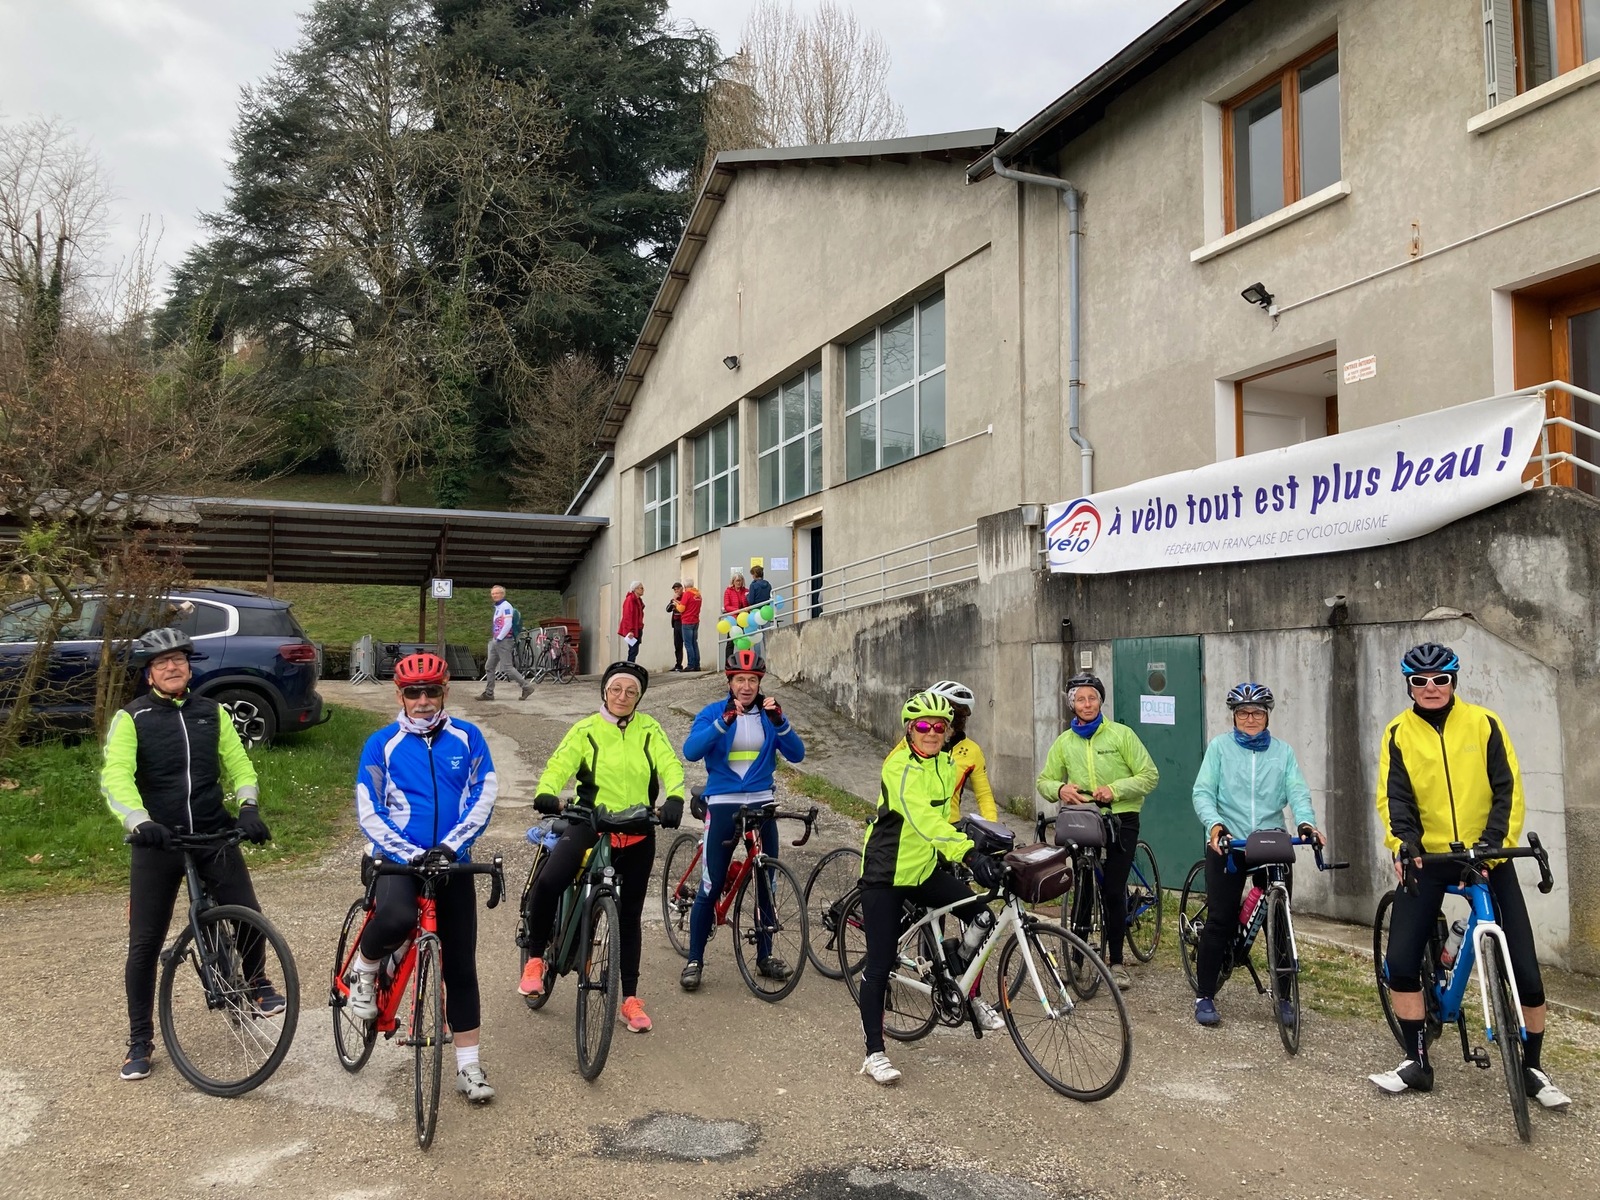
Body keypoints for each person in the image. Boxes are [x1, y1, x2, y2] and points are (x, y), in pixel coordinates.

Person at [1369, 643, 1570, 1108]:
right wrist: (1406, 843)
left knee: (1527, 974)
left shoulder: (1484, 724)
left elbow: (1508, 788)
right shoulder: (1398, 732)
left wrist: (1493, 842)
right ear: (1409, 686)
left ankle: (1533, 1068)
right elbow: (1394, 797)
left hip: (1488, 855)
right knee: (1400, 964)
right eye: (1420, 682)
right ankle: (1417, 1060)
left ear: (1454, 681)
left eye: (1440, 680)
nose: (1431, 689)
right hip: (1429, 858)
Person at [102, 627, 283, 1082]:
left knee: (246, 913)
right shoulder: (132, 719)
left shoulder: (212, 713)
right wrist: (140, 822)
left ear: (188, 665)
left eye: (179, 659)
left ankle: (257, 981)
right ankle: (139, 1039)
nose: (172, 666)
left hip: (211, 832)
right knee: (144, 945)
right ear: (149, 674)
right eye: (162, 662)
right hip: (157, 840)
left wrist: (248, 806)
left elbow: (239, 763)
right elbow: (116, 777)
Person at [348, 651, 500, 1103]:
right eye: (413, 692)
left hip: (452, 861)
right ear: (400, 695)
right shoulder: (382, 744)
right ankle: (366, 966)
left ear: (445, 692)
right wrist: (412, 854)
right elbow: (368, 808)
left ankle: (469, 1067)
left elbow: (485, 793)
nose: (423, 700)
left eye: (431, 691)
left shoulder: (468, 738)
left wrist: (451, 847)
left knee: (460, 965)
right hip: (398, 859)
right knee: (394, 917)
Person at [520, 662, 685, 1034]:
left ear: (639, 696)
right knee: (550, 881)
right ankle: (534, 961)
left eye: (631, 691)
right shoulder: (586, 729)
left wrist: (674, 796)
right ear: (604, 692)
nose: (622, 696)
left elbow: (670, 765)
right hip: (590, 825)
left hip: (638, 829)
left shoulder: (649, 729)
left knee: (629, 917)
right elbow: (558, 764)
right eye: (616, 689)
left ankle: (629, 999)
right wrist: (546, 792)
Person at [855, 691, 1006, 1085]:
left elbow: (953, 815)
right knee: (880, 963)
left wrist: (990, 841)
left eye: (941, 726)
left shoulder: (944, 763)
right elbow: (924, 821)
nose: (933, 732)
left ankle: (953, 971)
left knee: (982, 914)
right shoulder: (899, 766)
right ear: (909, 728)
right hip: (886, 873)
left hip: (922, 869)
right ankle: (874, 1053)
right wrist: (969, 856)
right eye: (924, 726)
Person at [1189, 681, 1322, 1027]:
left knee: (1280, 923)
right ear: (1234, 717)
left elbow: (1297, 791)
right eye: (1243, 713)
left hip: (1270, 841)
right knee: (1220, 917)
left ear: (1267, 717)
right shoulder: (1219, 748)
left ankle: (1285, 997)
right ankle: (1204, 994)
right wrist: (1215, 825)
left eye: (1257, 713)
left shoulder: (1283, 752)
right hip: (1229, 841)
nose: (1250, 718)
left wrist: (1306, 823)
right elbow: (1203, 792)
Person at [679, 647, 805, 991]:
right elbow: (691, 751)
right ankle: (694, 959)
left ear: (759, 682)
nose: (746, 686)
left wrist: (781, 723)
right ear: (730, 682)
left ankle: (764, 957)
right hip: (723, 802)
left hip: (762, 804)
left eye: (752, 680)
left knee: (767, 881)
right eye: (740, 680)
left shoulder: (768, 715)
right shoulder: (712, 712)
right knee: (711, 883)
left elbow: (798, 753)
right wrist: (723, 723)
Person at [1035, 673, 1158, 991]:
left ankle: (1116, 962)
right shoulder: (1064, 741)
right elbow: (1044, 781)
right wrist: (1060, 789)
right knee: (1084, 892)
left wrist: (1114, 790)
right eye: (1080, 699)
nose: (1086, 704)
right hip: (1082, 821)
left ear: (1101, 701)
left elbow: (1149, 775)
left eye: (1092, 698)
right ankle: (1076, 960)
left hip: (1121, 820)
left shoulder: (1121, 735)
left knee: (1113, 891)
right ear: (1071, 704)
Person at [926, 680, 997, 822]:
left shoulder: (972, 751)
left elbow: (984, 795)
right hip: (913, 829)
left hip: (949, 829)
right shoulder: (918, 742)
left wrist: (993, 827)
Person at [478, 584, 532, 701]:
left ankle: (526, 686)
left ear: (502, 594)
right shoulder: (498, 607)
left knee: (507, 667)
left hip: (503, 640)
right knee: (489, 666)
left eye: (497, 593)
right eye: (493, 594)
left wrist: (499, 638)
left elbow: (507, 624)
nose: (494, 595)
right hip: (496, 640)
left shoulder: (506, 606)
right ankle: (489, 693)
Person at [679, 580, 703, 671]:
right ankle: (697, 665)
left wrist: (676, 605)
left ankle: (691, 665)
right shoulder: (698, 595)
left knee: (688, 644)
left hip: (687, 621)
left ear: (685, 586)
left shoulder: (687, 594)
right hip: (695, 620)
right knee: (694, 643)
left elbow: (681, 608)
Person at [618, 580, 645, 663]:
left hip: (637, 628)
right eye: (641, 588)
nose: (643, 590)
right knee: (633, 650)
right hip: (632, 630)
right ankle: (630, 666)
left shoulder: (638, 600)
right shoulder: (630, 600)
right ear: (635, 589)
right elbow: (628, 616)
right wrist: (630, 631)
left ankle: (631, 665)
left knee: (635, 650)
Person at [667, 583, 685, 672]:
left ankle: (691, 664)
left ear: (682, 589)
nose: (676, 591)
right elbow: (668, 609)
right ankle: (678, 664)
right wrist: (673, 600)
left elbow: (683, 608)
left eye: (677, 589)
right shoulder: (674, 599)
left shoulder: (685, 597)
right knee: (677, 644)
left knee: (687, 643)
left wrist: (678, 602)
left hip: (684, 622)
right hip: (676, 623)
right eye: (675, 590)